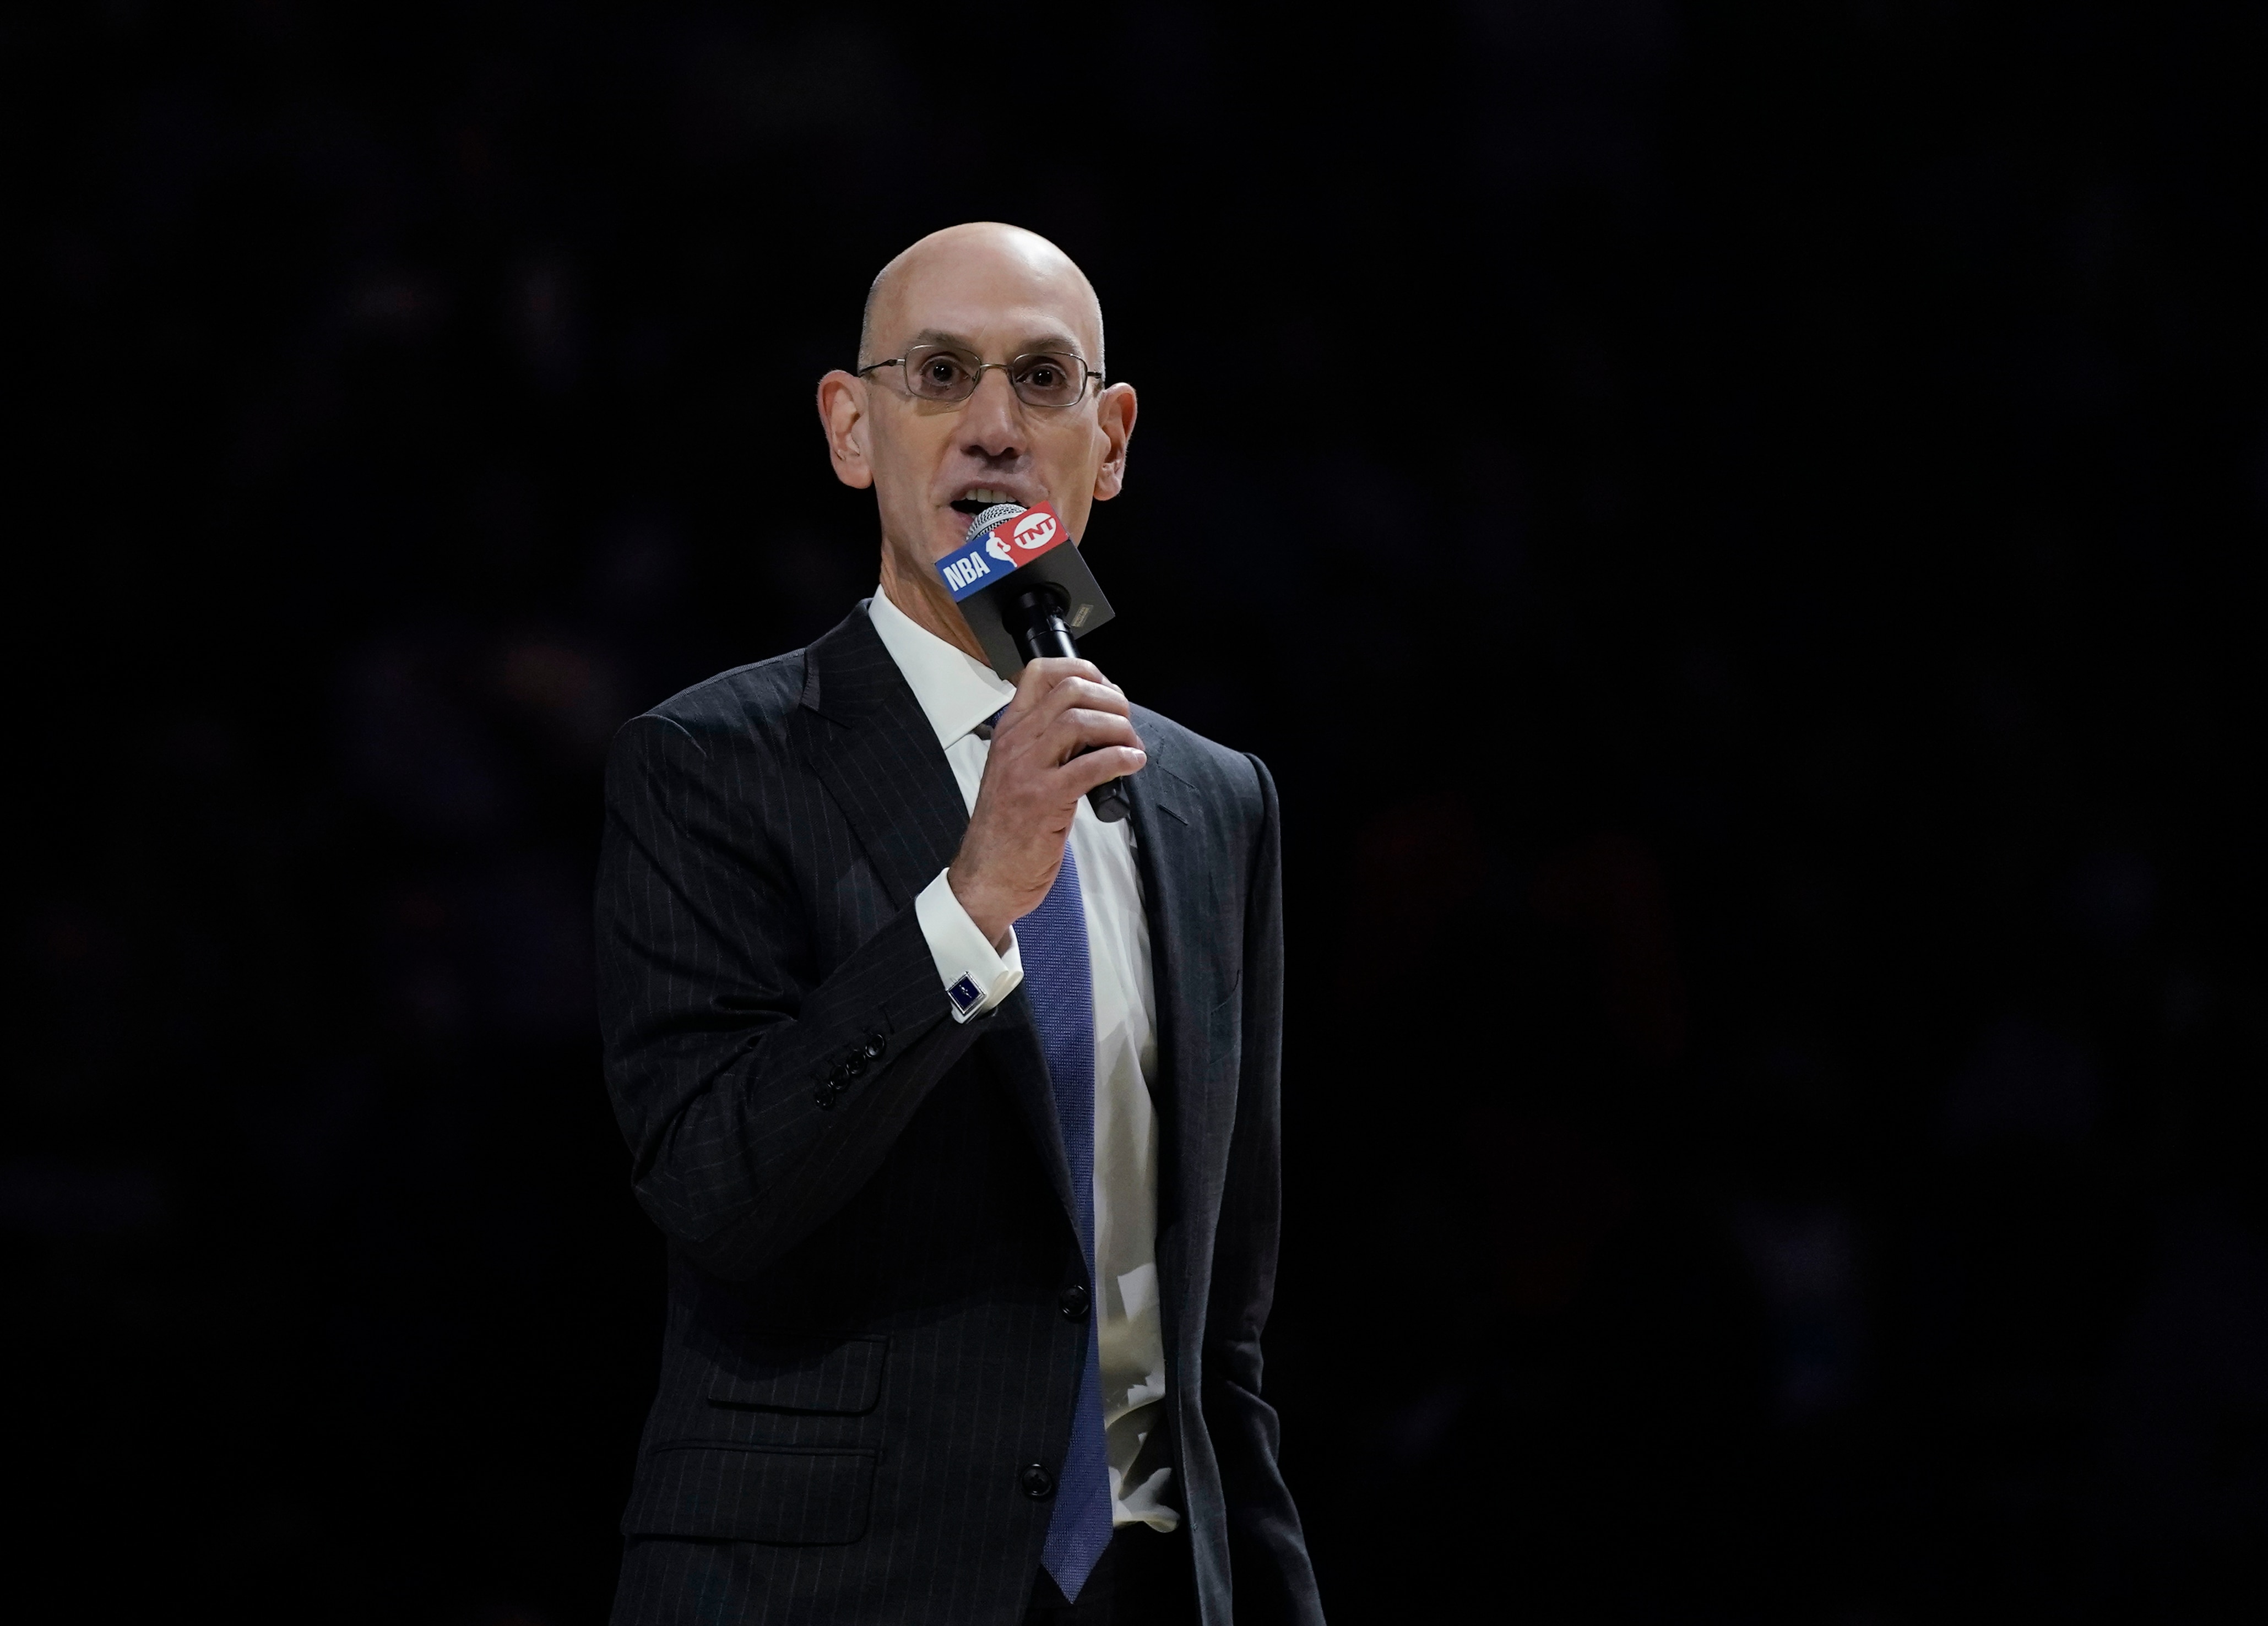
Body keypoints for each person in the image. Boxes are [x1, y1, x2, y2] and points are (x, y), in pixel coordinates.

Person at [596, 222, 1321, 1625]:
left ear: (1107, 443)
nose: (994, 428)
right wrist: (972, 898)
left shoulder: (1213, 803)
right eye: (939, 375)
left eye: (1042, 382)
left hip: (1147, 1583)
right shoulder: (712, 762)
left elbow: (1220, 1329)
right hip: (829, 1585)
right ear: (851, 427)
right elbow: (714, 1190)